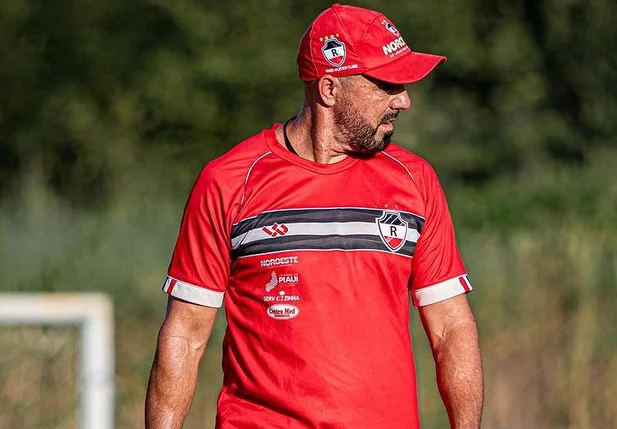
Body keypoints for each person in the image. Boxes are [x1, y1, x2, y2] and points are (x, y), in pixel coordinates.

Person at [146, 3, 484, 429]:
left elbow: (451, 328)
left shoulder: (415, 180)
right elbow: (185, 335)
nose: (404, 99)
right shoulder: (229, 182)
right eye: (387, 83)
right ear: (329, 89)